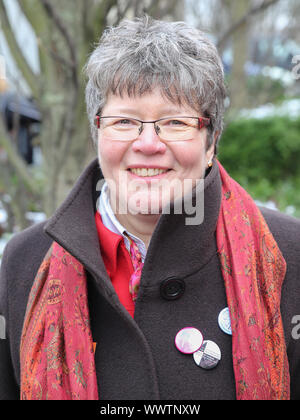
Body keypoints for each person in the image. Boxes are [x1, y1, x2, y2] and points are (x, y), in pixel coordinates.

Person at [0, 15, 300, 401]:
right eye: (124, 121)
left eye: (174, 122)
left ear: (211, 143)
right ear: (97, 134)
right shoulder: (25, 262)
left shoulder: (288, 255)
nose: (147, 144)